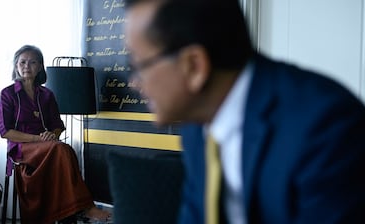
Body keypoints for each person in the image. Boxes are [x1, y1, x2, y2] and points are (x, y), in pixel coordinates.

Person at [123, 0, 365, 223]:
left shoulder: (327, 126)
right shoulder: (195, 126)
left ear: (194, 66)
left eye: (138, 64)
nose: (134, 82)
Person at [0, 45, 111, 224]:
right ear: (16, 66)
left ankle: (69, 213)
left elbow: (57, 125)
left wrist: (51, 134)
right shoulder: (7, 94)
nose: (27, 66)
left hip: (46, 146)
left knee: (64, 150)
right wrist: (38, 138)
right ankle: (83, 208)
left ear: (41, 66)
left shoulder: (46, 94)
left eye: (33, 62)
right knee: (61, 150)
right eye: (22, 62)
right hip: (21, 147)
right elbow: (5, 132)